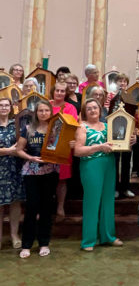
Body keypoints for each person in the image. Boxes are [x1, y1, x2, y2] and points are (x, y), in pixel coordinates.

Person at [74, 99, 128, 251]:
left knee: (108, 201)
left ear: (100, 110)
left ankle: (108, 237)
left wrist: (130, 139)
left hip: (109, 165)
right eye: (89, 108)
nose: (92, 110)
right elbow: (78, 150)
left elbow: (118, 143)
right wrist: (99, 147)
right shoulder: (82, 127)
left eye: (95, 108)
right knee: (92, 202)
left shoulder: (107, 126)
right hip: (91, 166)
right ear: (85, 111)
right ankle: (88, 241)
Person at [16, 100, 59, 258]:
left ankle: (44, 243)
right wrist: (31, 158)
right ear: (36, 113)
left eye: (46, 110)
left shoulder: (56, 129)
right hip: (31, 173)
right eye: (40, 111)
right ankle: (26, 244)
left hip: (50, 172)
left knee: (46, 209)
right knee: (31, 208)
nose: (43, 113)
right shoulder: (28, 129)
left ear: (50, 112)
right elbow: (19, 150)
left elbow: (62, 149)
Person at [49, 81, 78, 220]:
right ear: (53, 91)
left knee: (62, 179)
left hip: (64, 147)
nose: (59, 93)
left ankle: (60, 206)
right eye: (57, 90)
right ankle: (46, 206)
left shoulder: (70, 107)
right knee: (46, 178)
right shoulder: (46, 105)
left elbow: (73, 125)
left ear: (65, 93)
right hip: (47, 147)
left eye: (62, 91)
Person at [0, 98, 23, 250]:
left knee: (15, 203)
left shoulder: (17, 124)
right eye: (0, 105)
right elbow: (13, 149)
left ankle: (14, 235)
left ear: (11, 108)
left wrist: (18, 150)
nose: (3, 108)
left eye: (6, 105)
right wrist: (9, 151)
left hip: (15, 168)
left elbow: (23, 144)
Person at [108, 74, 134, 199]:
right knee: (115, 161)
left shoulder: (131, 97)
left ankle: (126, 187)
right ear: (117, 83)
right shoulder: (112, 98)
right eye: (120, 81)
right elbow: (109, 114)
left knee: (126, 162)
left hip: (128, 134)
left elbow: (135, 115)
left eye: (124, 81)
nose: (122, 83)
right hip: (115, 134)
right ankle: (114, 188)